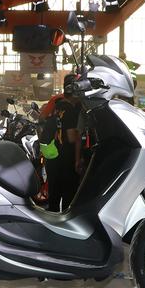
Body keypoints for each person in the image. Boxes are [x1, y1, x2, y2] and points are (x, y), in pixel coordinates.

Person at [45, 75, 82, 212]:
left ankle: (51, 220)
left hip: (52, 156)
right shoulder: (71, 110)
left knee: (54, 196)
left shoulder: (56, 106)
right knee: (68, 196)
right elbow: (72, 138)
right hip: (66, 158)